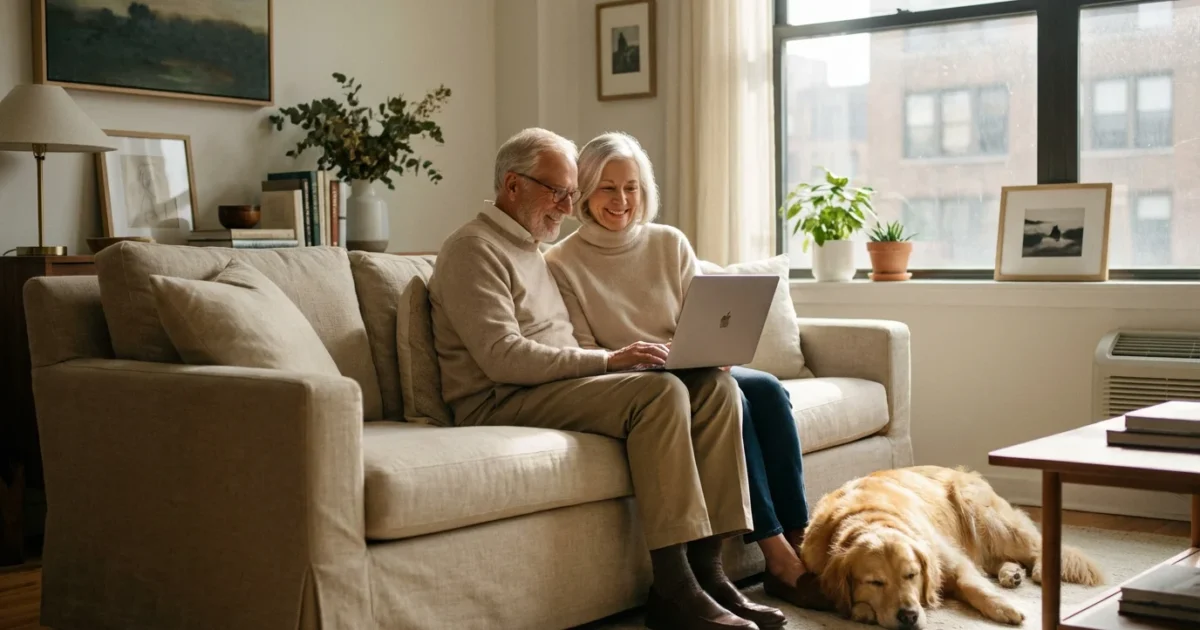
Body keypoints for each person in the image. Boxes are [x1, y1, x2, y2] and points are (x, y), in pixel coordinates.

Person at [428, 127, 787, 630]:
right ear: (512, 186)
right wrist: (609, 361)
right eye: (557, 191)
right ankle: (673, 587)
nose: (566, 204)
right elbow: (502, 358)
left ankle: (712, 573)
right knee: (658, 393)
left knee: (715, 388)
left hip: (551, 385)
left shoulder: (529, 244)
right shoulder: (473, 249)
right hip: (499, 398)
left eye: (571, 193)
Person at [544, 132, 816, 609]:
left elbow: (705, 315)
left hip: (691, 363)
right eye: (607, 187)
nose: (622, 200)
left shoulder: (670, 242)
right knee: (733, 399)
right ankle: (775, 553)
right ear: (584, 190)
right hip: (639, 381)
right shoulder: (562, 261)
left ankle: (800, 541)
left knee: (768, 390)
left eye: (631, 187)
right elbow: (587, 351)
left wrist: (716, 345)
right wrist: (637, 355)